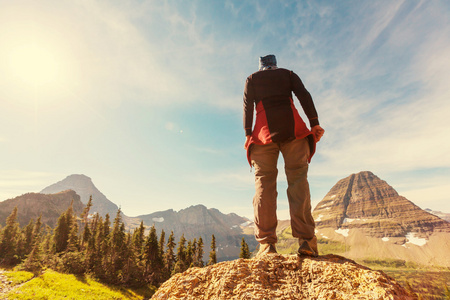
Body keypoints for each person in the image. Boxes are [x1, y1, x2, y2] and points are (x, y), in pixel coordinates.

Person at [243, 54, 324, 257]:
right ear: (275, 64)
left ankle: (267, 244)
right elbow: (304, 96)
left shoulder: (252, 79)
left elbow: (247, 107)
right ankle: (306, 241)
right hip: (294, 131)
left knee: (264, 184)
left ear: (261, 66)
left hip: (263, 135)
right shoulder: (288, 75)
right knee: (298, 182)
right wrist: (314, 123)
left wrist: (247, 134)